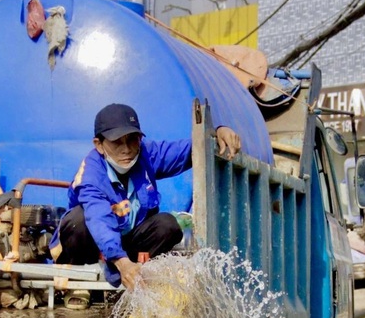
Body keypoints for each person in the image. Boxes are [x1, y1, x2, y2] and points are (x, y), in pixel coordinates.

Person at [51, 103, 241, 304]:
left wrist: (217, 132)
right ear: (99, 144)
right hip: (92, 243)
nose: (127, 149)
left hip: (128, 239)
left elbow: (187, 150)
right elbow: (100, 222)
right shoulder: (91, 176)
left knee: (168, 225)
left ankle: (135, 276)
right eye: (117, 142)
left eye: (132, 140)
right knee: (78, 220)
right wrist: (122, 262)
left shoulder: (144, 155)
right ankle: (78, 284)